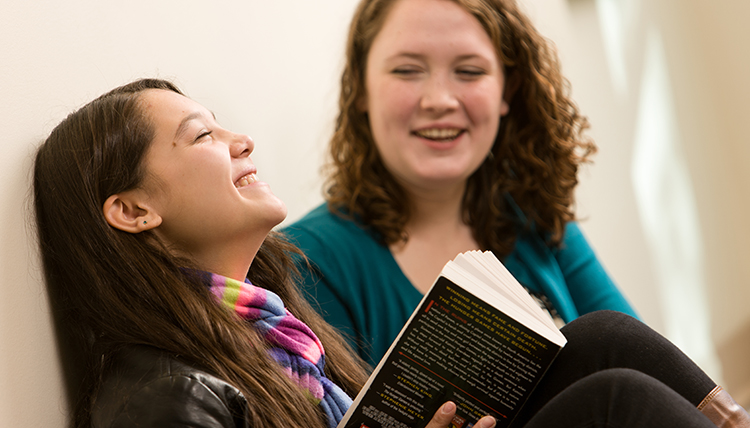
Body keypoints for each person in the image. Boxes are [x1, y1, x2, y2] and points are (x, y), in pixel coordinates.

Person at [32, 78, 747, 428]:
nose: (241, 141)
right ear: (131, 210)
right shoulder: (165, 395)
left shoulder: (273, 331)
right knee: (613, 401)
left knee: (597, 338)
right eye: (202, 137)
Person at [284, 0, 637, 367]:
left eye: (469, 71)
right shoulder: (306, 262)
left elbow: (647, 369)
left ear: (508, 91)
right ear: (360, 88)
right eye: (407, 70)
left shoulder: (535, 214)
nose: (439, 100)